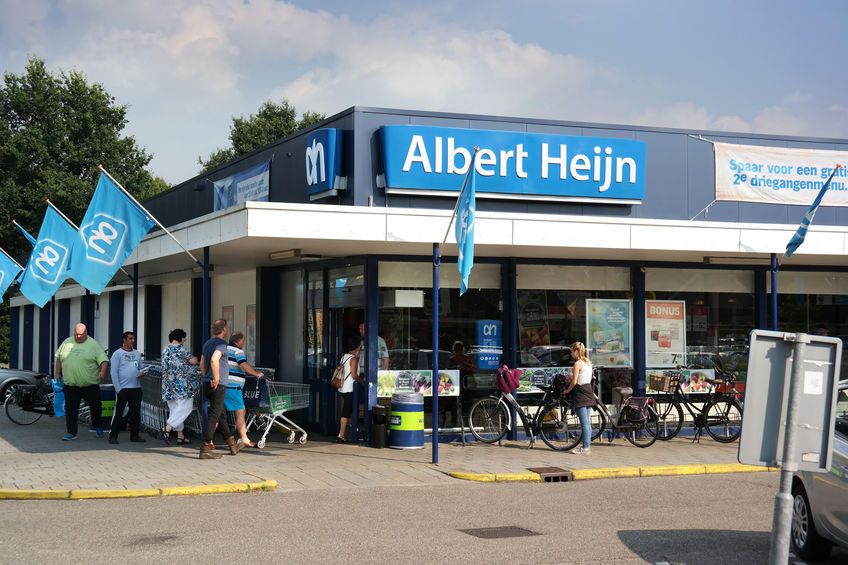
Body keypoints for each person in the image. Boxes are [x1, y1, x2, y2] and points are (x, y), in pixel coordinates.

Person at [54, 323, 109, 441]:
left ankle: (98, 425)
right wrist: (57, 373)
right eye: (76, 334)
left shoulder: (93, 344)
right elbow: (59, 358)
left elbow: (104, 360)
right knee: (71, 409)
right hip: (71, 385)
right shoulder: (66, 342)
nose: (78, 337)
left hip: (90, 385)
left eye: (80, 335)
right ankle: (71, 432)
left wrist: (103, 371)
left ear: (86, 333)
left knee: (96, 406)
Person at [199, 319, 240, 459]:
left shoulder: (207, 343)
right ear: (224, 329)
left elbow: (202, 364)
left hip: (206, 382)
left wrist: (207, 376)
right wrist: (216, 378)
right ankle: (205, 448)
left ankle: (232, 444)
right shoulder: (222, 344)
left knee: (221, 414)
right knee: (214, 415)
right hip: (218, 383)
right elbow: (214, 359)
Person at [226, 331, 264, 448]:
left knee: (217, 414)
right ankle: (245, 439)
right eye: (243, 341)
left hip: (222, 386)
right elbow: (243, 365)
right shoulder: (238, 351)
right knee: (240, 412)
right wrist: (256, 373)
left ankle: (209, 441)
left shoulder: (223, 349)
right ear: (238, 341)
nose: (244, 343)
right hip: (233, 387)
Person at [161, 328, 199, 444]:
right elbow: (193, 361)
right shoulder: (181, 348)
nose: (185, 339)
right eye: (184, 337)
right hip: (182, 385)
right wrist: (196, 358)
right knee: (185, 407)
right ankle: (167, 428)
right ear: (180, 338)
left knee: (175, 409)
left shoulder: (165, 349)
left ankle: (180, 435)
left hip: (168, 384)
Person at [108, 331, 146, 444]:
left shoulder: (137, 354)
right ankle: (113, 435)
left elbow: (140, 368)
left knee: (135, 413)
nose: (132, 341)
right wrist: (118, 388)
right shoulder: (117, 354)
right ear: (124, 340)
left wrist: (142, 372)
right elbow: (113, 372)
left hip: (136, 388)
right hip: (123, 388)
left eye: (133, 339)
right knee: (119, 412)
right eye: (130, 338)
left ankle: (135, 435)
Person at [564, 341, 596, 455]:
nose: (571, 354)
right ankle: (586, 446)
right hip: (588, 391)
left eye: (572, 352)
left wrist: (567, 390)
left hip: (580, 394)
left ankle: (585, 448)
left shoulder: (577, 364)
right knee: (587, 422)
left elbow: (574, 381)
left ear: (577, 351)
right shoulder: (588, 362)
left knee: (584, 423)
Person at [337, 335, 362, 443]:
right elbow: (354, 375)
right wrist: (363, 380)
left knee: (348, 410)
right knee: (347, 411)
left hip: (342, 387)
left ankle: (350, 432)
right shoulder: (353, 359)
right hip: (349, 388)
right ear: (357, 347)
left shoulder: (344, 356)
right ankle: (341, 435)